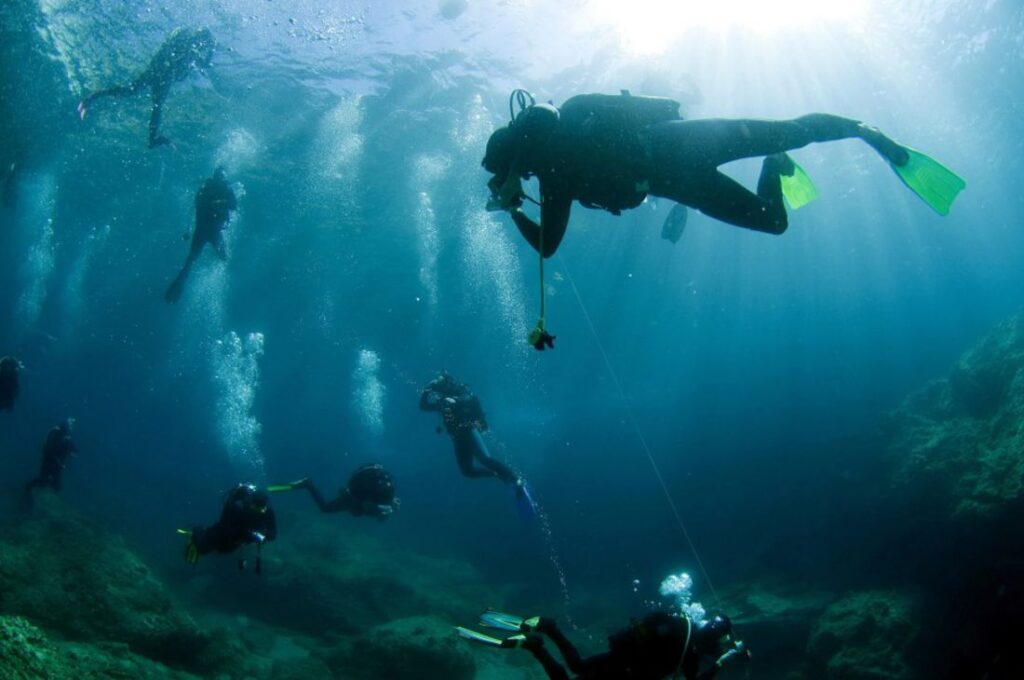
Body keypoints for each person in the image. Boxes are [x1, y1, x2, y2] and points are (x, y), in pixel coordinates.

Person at [483, 90, 966, 260]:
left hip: (676, 154)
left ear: (513, 158)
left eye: (510, 172)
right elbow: (549, 244)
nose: (516, 179)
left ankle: (861, 135)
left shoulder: (551, 153)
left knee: (787, 142)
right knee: (779, 188)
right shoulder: (555, 168)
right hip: (677, 166)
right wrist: (514, 208)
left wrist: (508, 199)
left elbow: (546, 244)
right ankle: (800, 155)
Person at [458, 609, 748, 680]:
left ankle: (550, 631)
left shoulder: (677, 622)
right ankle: (537, 647)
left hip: (621, 657)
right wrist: (725, 660)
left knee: (577, 665)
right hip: (629, 675)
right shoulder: (691, 653)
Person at [77, 27, 216, 148]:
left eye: (203, 45)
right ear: (198, 36)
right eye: (202, 42)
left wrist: (211, 51)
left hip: (165, 78)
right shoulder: (184, 36)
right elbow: (169, 49)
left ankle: (152, 140)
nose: (200, 45)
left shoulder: (193, 53)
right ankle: (91, 97)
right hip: (157, 71)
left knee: (155, 106)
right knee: (133, 92)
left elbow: (203, 65)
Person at [420, 372, 523, 488]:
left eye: (442, 384)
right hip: (457, 438)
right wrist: (425, 393)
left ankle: (515, 479)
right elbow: (424, 407)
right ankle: (496, 475)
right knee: (467, 471)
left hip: (469, 431)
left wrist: (456, 401)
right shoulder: (442, 402)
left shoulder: (460, 392)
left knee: (485, 459)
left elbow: (471, 398)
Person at [164, 166, 238, 303]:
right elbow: (194, 207)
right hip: (203, 230)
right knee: (191, 260)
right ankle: (177, 287)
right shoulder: (206, 188)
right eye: (219, 176)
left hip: (213, 231)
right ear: (215, 176)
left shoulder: (226, 190)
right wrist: (187, 230)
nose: (221, 179)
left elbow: (234, 204)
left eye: (222, 177)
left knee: (222, 257)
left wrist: (222, 202)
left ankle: (227, 284)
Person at [181, 483, 276, 572]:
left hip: (238, 539)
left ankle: (203, 533)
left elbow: (273, 534)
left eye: (262, 508)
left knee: (225, 551)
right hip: (223, 532)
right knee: (203, 548)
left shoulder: (268, 512)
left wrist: (263, 534)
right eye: (256, 507)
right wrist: (250, 534)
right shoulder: (237, 508)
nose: (259, 511)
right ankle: (196, 530)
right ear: (250, 503)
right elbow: (226, 527)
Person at [276, 464, 399, 520]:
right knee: (325, 508)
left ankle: (308, 484)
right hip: (353, 496)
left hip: (357, 495)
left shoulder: (386, 495)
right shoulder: (382, 498)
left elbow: (366, 506)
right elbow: (365, 505)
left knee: (356, 510)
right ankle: (308, 484)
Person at [24, 419, 78, 498]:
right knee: (43, 482)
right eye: (70, 426)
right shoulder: (56, 435)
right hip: (49, 462)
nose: (71, 428)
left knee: (56, 486)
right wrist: (60, 459)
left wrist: (72, 452)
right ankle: (29, 488)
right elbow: (51, 449)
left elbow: (74, 450)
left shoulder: (66, 438)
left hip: (56, 465)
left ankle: (38, 489)